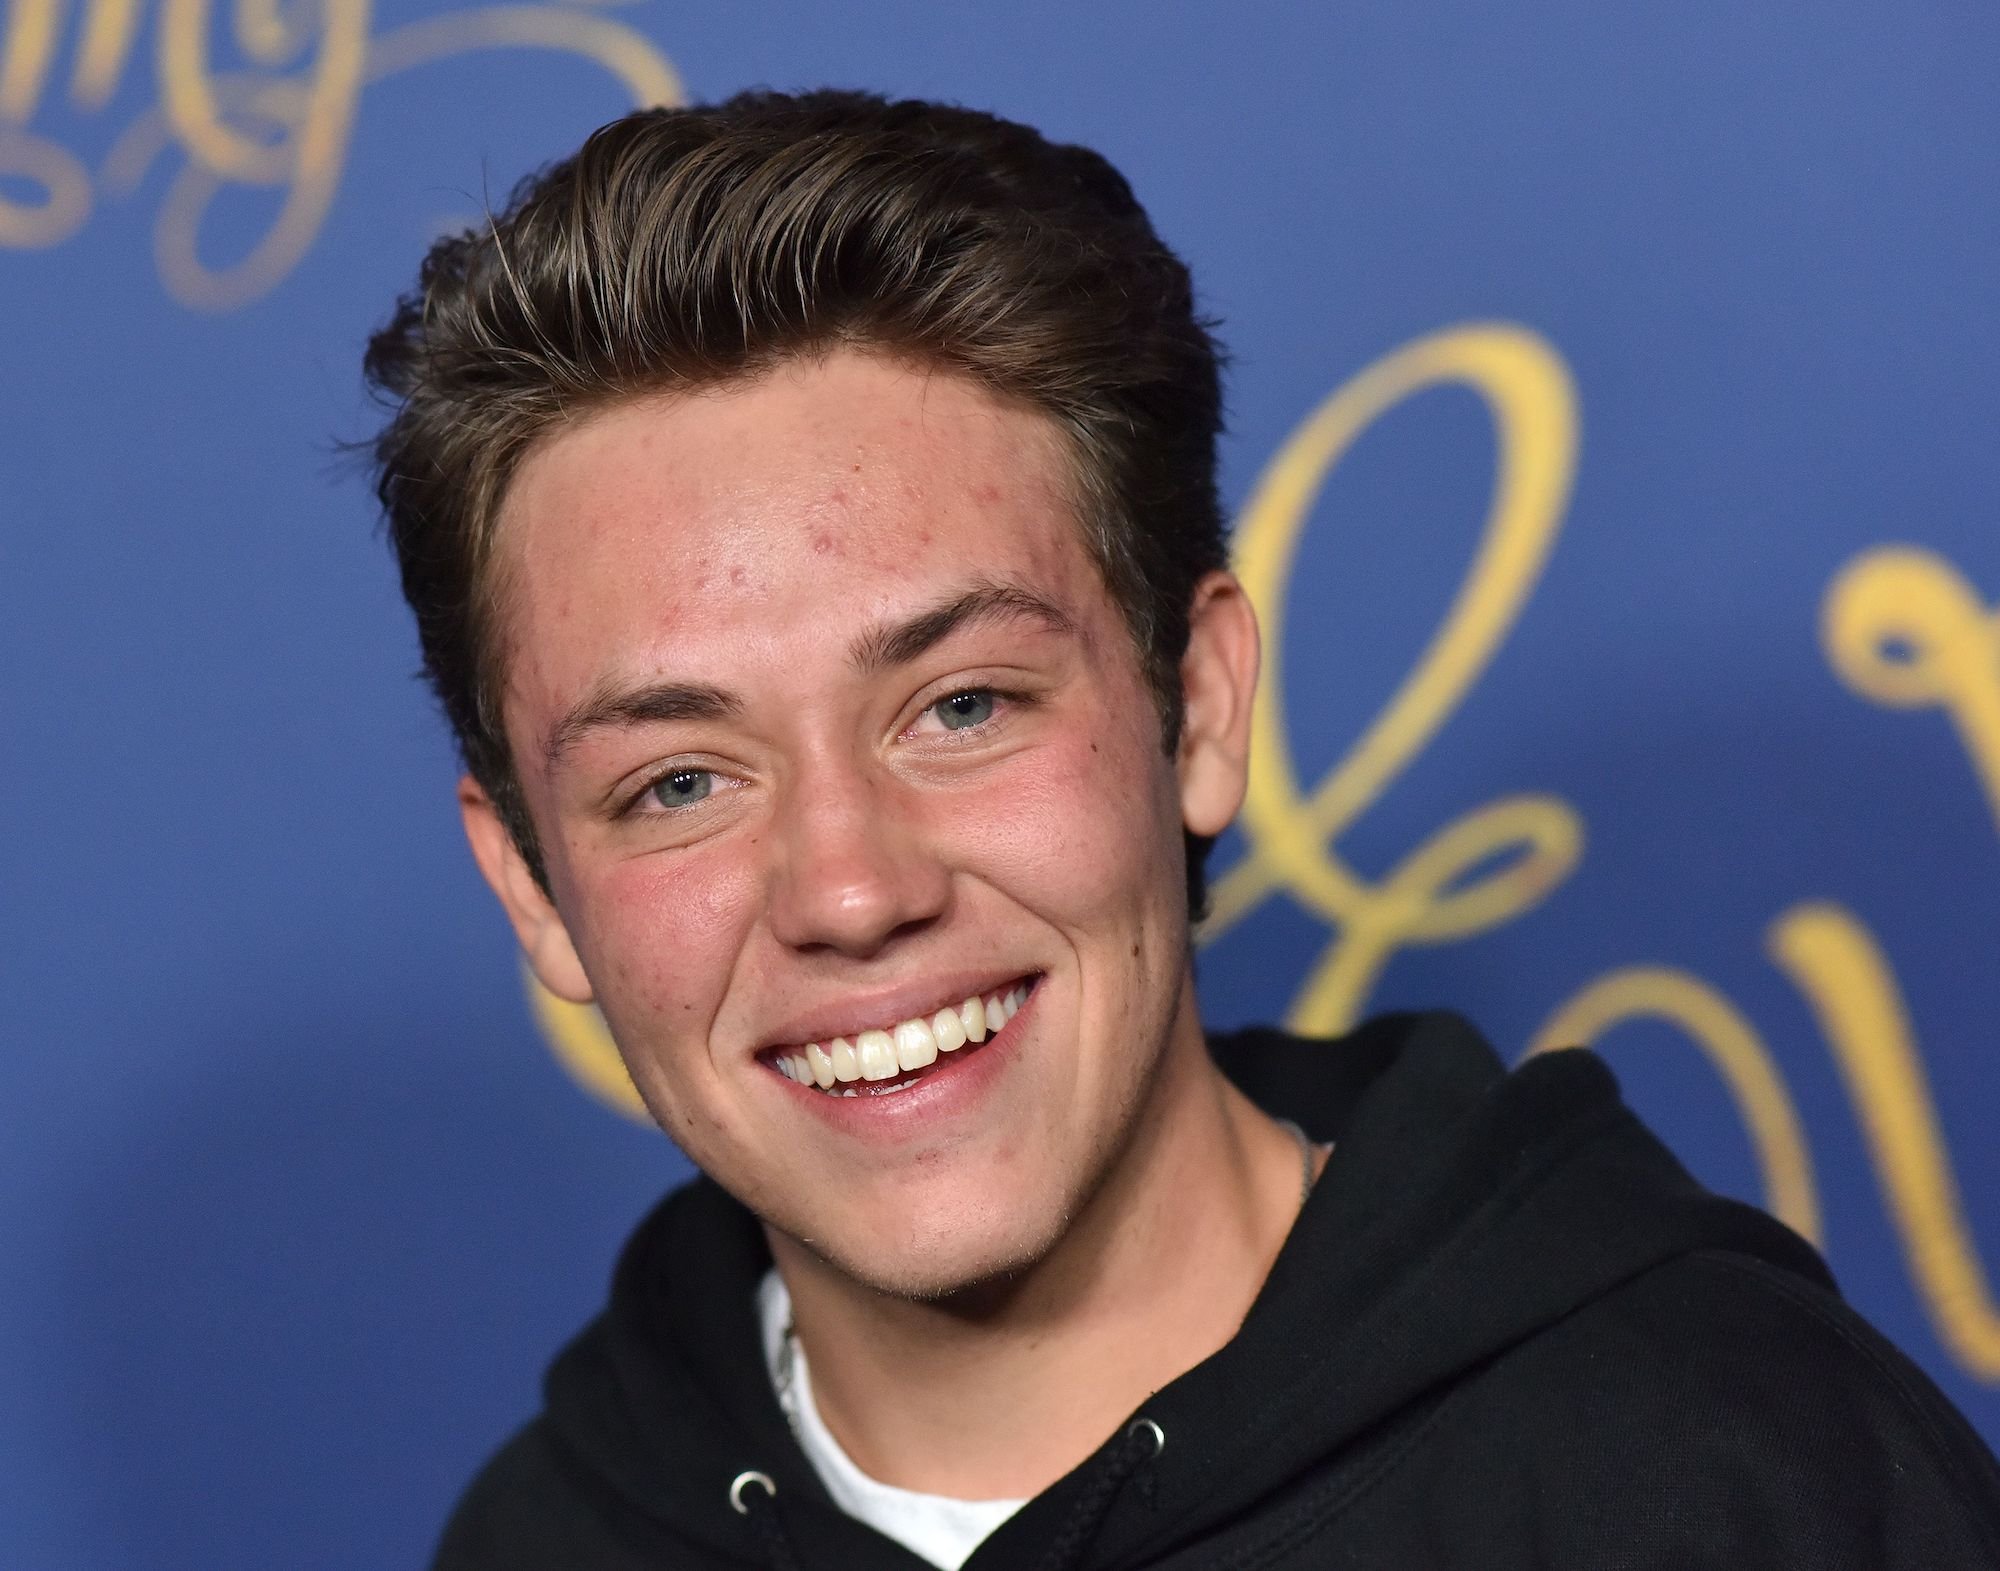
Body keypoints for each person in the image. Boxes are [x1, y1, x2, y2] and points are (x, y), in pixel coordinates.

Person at [362, 89, 2000, 1570]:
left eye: (964, 706)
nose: (851, 891)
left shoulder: (1731, 1480)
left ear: (1198, 707)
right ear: (533, 887)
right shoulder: (534, 1544)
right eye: (680, 785)